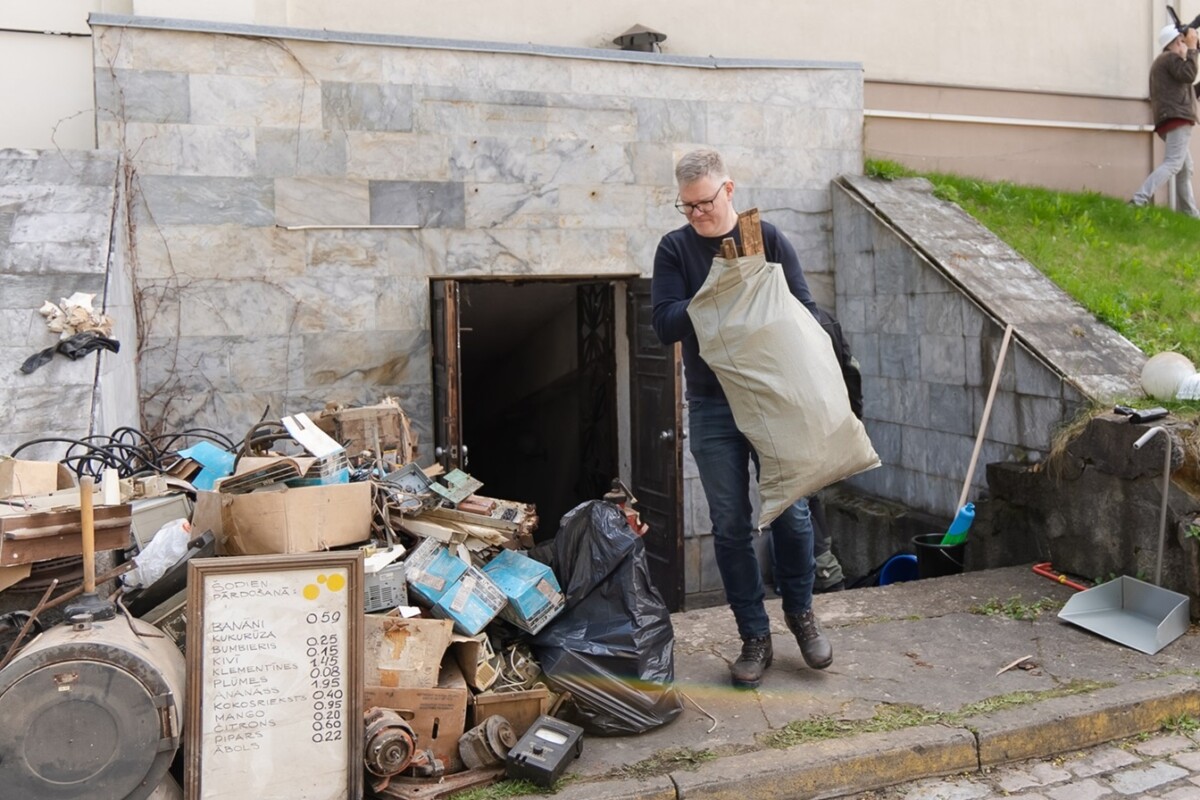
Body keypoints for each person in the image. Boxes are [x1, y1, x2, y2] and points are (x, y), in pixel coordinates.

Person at [650, 148, 833, 689]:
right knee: (730, 526)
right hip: (711, 404)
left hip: (773, 399)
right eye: (686, 206)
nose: (696, 215)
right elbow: (663, 324)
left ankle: (802, 616)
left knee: (793, 515)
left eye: (704, 202)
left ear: (729, 190)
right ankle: (755, 637)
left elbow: (807, 309)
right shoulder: (675, 249)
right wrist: (715, 294)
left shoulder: (768, 238)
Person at [1131, 24, 1200, 217]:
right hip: (1178, 119)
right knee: (1173, 164)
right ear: (1177, 42)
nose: (1185, 46)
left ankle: (1189, 214)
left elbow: (1186, 92)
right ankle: (1139, 199)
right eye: (1183, 42)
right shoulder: (1170, 58)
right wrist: (1193, 47)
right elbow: (1189, 74)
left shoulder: (1165, 62)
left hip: (1171, 118)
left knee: (1185, 167)